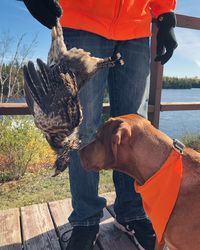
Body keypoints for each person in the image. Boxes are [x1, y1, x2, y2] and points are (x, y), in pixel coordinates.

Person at [23, 1, 178, 249]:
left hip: (136, 29)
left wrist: (165, 12)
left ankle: (132, 212)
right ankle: (86, 220)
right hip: (83, 20)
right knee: (80, 129)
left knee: (134, 129)